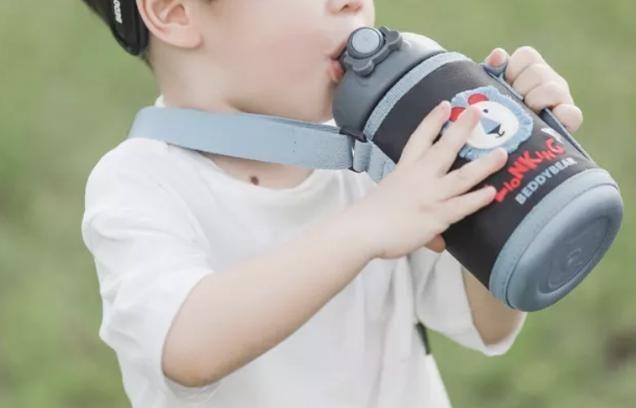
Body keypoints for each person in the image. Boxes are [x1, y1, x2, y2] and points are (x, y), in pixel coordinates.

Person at [79, 0, 584, 406]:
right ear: (174, 12)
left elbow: (487, 322)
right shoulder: (140, 183)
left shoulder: (380, 135)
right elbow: (184, 346)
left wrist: (513, 175)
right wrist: (366, 228)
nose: (353, 4)